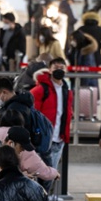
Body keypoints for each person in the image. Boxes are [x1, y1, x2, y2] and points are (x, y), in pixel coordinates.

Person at [30, 58, 73, 188]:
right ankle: (39, 199)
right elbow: (32, 112)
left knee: (51, 174)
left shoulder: (66, 89)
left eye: (62, 67)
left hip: (59, 138)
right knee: (40, 174)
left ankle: (44, 199)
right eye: (56, 67)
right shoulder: (41, 89)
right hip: (43, 139)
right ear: (49, 70)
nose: (59, 70)